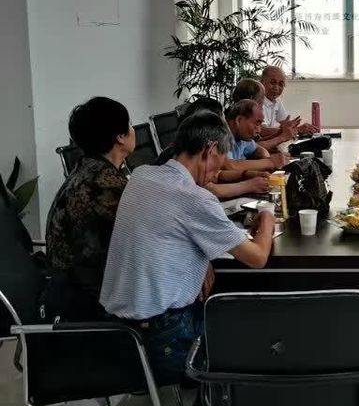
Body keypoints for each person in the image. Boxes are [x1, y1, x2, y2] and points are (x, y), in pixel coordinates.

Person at [100, 111, 276, 384]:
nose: (218, 172)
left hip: (118, 328)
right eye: (219, 162)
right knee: (257, 331)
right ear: (210, 150)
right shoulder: (194, 198)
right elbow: (257, 257)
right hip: (161, 337)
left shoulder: (141, 175)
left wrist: (203, 257)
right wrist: (267, 219)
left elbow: (164, 233)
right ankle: (213, 401)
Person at [43, 97, 135, 321]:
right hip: (93, 307)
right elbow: (150, 237)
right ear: (120, 137)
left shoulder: (84, 172)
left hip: (69, 295)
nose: (133, 129)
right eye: (130, 124)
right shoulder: (106, 185)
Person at [231, 77, 298, 151]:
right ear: (251, 100)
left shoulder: (242, 114)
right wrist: (282, 137)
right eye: (262, 99)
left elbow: (255, 143)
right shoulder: (240, 120)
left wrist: (280, 132)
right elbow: (253, 148)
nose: (263, 104)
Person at [260, 66, 318, 134]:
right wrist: (296, 130)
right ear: (262, 82)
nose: (276, 88)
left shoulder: (276, 100)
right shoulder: (256, 99)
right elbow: (260, 131)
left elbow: (285, 124)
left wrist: (301, 128)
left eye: (281, 84)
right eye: (273, 82)